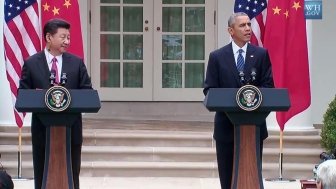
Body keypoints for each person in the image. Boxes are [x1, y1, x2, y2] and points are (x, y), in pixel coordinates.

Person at [203, 12, 274, 189]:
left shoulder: (261, 54)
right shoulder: (217, 57)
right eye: (242, 25)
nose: (248, 28)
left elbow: (268, 86)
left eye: (249, 24)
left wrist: (252, 97)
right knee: (227, 179)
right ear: (230, 30)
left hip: (253, 128)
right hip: (226, 128)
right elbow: (209, 89)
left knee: (251, 176)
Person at [19, 18, 92, 189]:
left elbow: (88, 93)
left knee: (72, 173)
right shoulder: (31, 63)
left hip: (71, 129)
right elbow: (22, 95)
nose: (67, 41)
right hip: (42, 131)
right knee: (42, 172)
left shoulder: (76, 62)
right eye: (63, 37)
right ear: (49, 38)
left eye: (68, 37)